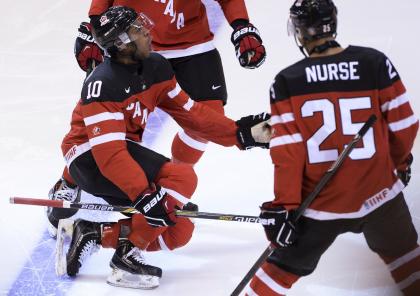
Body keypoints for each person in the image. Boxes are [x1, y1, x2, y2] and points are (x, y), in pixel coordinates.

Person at [52, 6, 270, 289]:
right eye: (137, 30)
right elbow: (109, 156)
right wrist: (144, 196)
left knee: (180, 228)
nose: (146, 31)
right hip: (88, 157)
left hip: (119, 152)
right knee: (182, 178)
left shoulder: (156, 67)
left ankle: (93, 233)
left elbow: (193, 114)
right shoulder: (103, 84)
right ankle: (126, 258)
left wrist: (240, 134)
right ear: (121, 43)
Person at [247, 1, 420, 295]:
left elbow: (288, 153)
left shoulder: (287, 81)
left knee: (280, 270)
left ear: (300, 32)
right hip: (380, 196)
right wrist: (398, 165)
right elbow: (405, 125)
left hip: (320, 204)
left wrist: (284, 208)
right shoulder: (374, 63)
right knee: (407, 259)